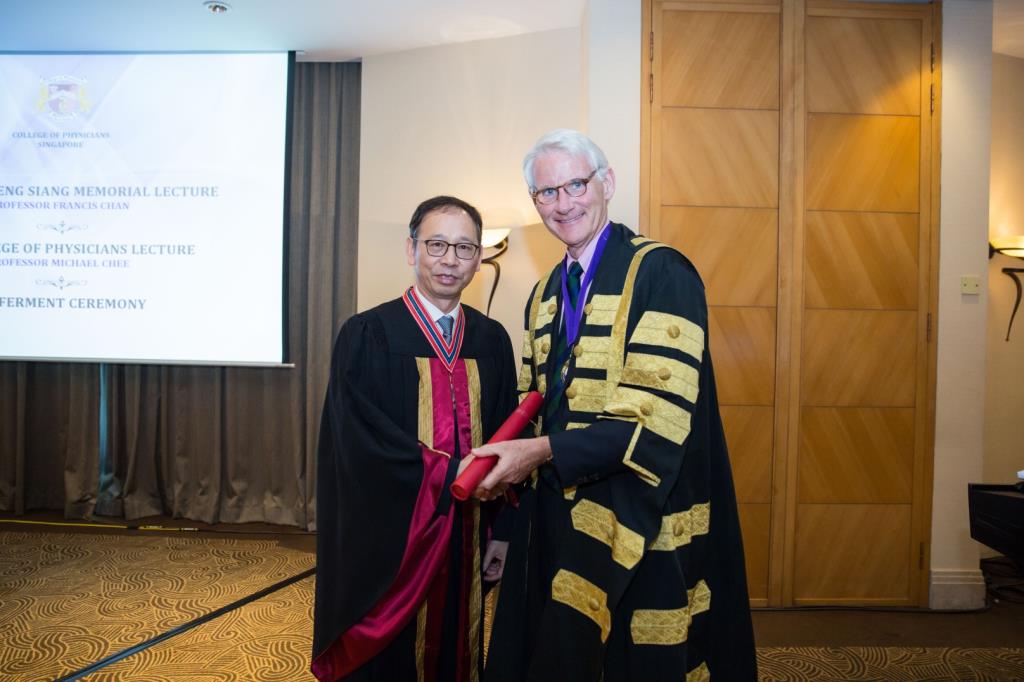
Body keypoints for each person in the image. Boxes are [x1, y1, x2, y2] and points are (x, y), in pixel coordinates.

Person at [471, 130, 758, 681]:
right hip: (559, 517)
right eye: (546, 193)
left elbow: (653, 420)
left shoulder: (662, 273)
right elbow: (534, 404)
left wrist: (539, 451)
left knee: (633, 659)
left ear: (607, 183)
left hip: (643, 514)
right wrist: (504, 509)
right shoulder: (544, 293)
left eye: (575, 185)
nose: (563, 204)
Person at [311, 195, 518, 682]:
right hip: (395, 542)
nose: (450, 260)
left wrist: (504, 532)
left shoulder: (492, 340)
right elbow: (358, 443)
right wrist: (449, 475)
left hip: (470, 534)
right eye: (436, 244)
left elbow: (511, 440)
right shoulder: (368, 334)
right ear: (412, 249)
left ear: (478, 259)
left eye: (465, 248)